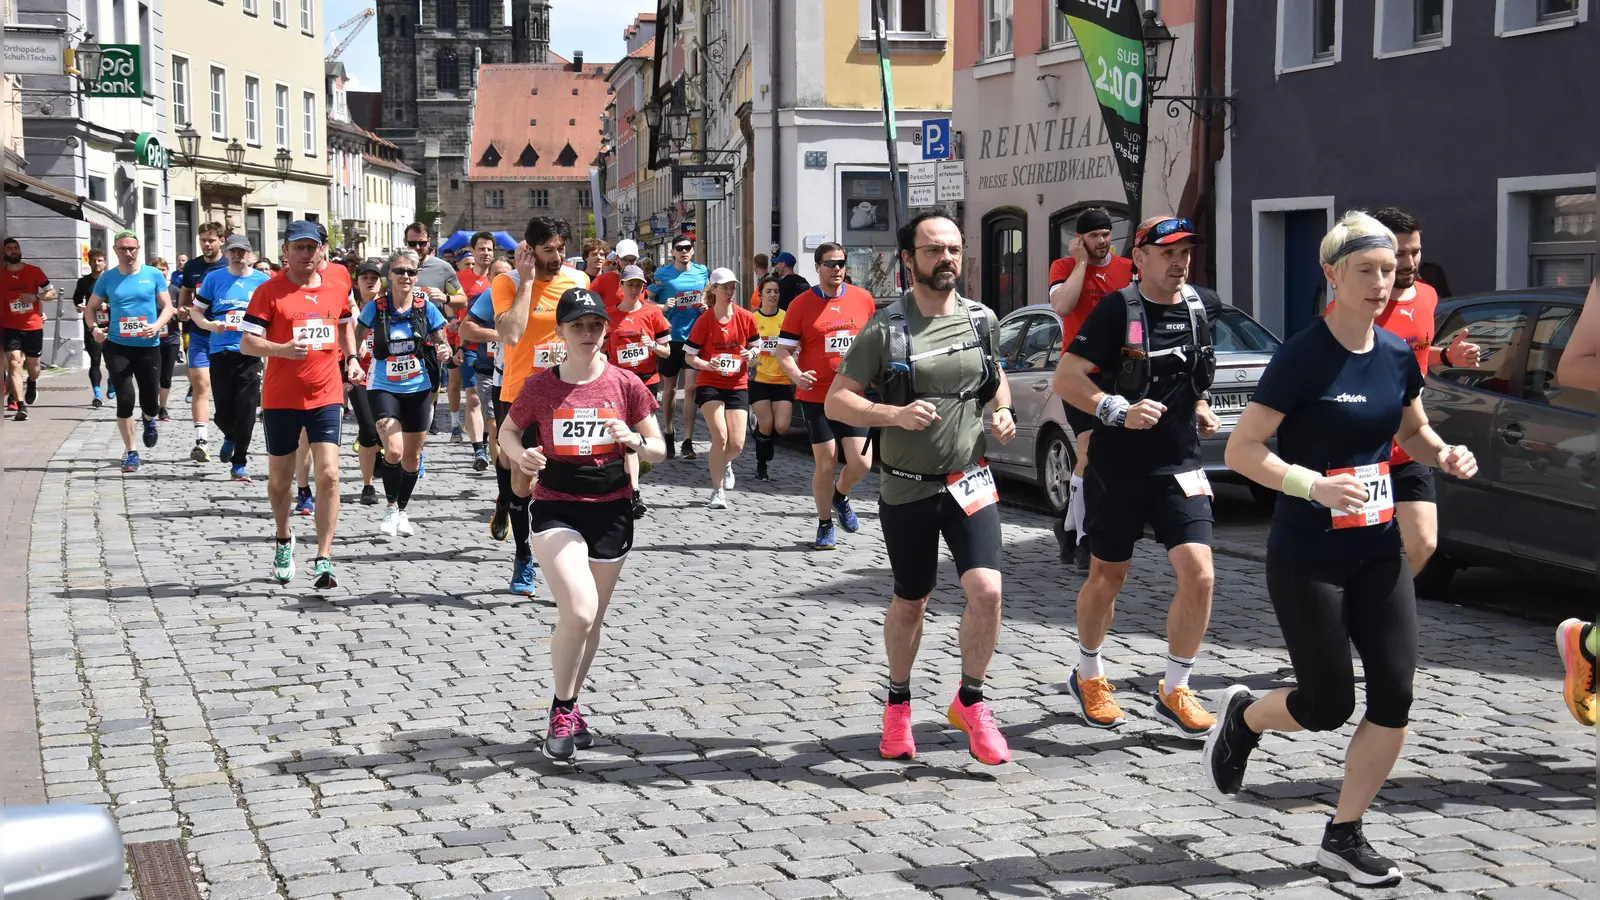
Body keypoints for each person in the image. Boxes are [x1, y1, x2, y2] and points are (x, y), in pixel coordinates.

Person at [1210, 211, 1480, 887]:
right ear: (1332, 274)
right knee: (1327, 705)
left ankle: (1344, 834)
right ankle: (1246, 715)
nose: (1381, 283)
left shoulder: (1393, 354)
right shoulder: (1301, 355)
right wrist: (1309, 486)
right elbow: (1243, 451)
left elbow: (1413, 431)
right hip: (1308, 554)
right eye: (1366, 270)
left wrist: (1444, 453)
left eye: (1389, 271)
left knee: (1395, 693)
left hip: (1379, 550)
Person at [824, 211, 1015, 766]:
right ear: (909, 259)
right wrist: (892, 413)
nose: (947, 260)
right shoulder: (887, 328)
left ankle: (971, 700)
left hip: (970, 481)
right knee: (913, 599)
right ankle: (898, 702)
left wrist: (1001, 412)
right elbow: (839, 399)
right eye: (934, 250)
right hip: (907, 488)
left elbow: (994, 378)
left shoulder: (982, 320)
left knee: (988, 591)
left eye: (954, 249)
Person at [1050, 216, 1224, 738]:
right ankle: (1090, 674)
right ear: (1140, 258)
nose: (1180, 262)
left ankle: (1175, 687)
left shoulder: (1201, 307)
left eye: (1186, 252)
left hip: (1180, 464)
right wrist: (1115, 411)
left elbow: (1191, 375)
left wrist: (1199, 404)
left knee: (1202, 575)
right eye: (1168, 252)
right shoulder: (1114, 310)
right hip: (1118, 465)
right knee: (1108, 579)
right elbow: (1067, 378)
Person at [498, 286, 666, 760]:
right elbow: (507, 431)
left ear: (606, 330)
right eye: (578, 326)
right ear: (562, 332)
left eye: (595, 326)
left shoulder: (625, 383)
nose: (588, 334)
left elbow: (659, 449)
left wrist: (632, 438)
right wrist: (522, 455)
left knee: (591, 621)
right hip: (556, 506)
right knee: (580, 609)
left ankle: (570, 707)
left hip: (611, 508)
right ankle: (562, 708)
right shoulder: (540, 386)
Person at [1345, 208, 1481, 582]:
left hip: (1409, 443)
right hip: (1364, 451)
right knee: (1360, 550)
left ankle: (1381, 604)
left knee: (1423, 543)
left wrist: (1447, 356)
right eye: (1399, 253)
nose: (1409, 262)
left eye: (1415, 251)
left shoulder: (1428, 296)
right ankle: (1360, 610)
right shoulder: (1359, 306)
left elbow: (1413, 351)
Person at [239, 220, 361, 589]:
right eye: (299, 247)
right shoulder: (269, 291)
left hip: (326, 392)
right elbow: (247, 342)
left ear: (322, 249)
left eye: (312, 247)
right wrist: (280, 350)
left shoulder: (338, 282)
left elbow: (343, 326)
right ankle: (283, 537)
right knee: (280, 479)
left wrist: (352, 358)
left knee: (329, 474)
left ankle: (324, 557)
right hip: (281, 397)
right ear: (286, 252)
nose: (307, 254)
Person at [488, 216, 589, 595]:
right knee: (522, 478)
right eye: (549, 250)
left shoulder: (578, 282)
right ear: (529, 250)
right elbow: (511, 333)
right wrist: (527, 281)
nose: (558, 257)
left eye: (562, 248)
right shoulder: (507, 282)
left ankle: (567, 559)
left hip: (567, 393)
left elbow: (591, 336)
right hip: (521, 394)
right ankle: (523, 555)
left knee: (568, 477)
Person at [1047, 208, 1135, 570]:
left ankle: (1068, 527)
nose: (1102, 241)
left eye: (1106, 234)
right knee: (1088, 447)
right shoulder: (1063, 268)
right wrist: (1081, 264)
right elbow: (1062, 306)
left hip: (1119, 374)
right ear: (1080, 239)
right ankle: (1085, 539)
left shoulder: (1129, 269)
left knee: (1107, 455)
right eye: (1094, 236)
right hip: (1078, 374)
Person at [776, 242, 876, 550]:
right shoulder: (801, 305)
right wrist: (796, 376)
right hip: (817, 396)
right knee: (826, 463)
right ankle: (824, 524)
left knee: (862, 463)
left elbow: (875, 343)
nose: (837, 269)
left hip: (854, 394)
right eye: (830, 263)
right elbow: (783, 351)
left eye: (841, 263)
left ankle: (840, 495)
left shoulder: (863, 299)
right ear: (817, 267)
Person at [356, 250, 452, 537]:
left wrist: (444, 349)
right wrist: (354, 353)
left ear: (416, 276)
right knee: (394, 450)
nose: (405, 277)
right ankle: (389, 507)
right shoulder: (376, 307)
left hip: (419, 388)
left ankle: (402, 509)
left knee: (412, 456)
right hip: (383, 386)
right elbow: (355, 332)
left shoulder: (425, 308)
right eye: (399, 272)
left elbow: (441, 340)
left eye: (411, 272)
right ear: (390, 276)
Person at [85, 231, 174, 471]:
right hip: (117, 347)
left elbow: (168, 307)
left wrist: (156, 325)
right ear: (115, 251)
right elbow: (90, 308)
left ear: (139, 249)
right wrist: (94, 329)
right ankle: (131, 451)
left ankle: (149, 420)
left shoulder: (153, 274)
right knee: (125, 399)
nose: (128, 253)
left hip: (148, 347)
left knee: (150, 403)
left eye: (132, 248)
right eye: (123, 249)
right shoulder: (107, 278)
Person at [190, 234, 270, 481]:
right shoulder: (214, 279)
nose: (237, 256)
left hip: (250, 353)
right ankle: (230, 435)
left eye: (242, 251)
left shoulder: (263, 281)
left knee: (247, 411)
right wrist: (210, 325)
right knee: (223, 412)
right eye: (233, 252)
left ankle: (239, 463)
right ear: (226, 253)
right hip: (220, 352)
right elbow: (196, 312)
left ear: (249, 254)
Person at [685, 268, 761, 509]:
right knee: (720, 436)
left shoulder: (745, 317)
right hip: (710, 383)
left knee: (737, 444)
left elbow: (757, 347)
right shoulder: (704, 321)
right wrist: (706, 364)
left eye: (732, 287)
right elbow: (689, 357)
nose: (730, 292)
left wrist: (752, 354)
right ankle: (717, 491)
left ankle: (725, 462)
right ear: (714, 289)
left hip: (737, 383)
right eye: (725, 287)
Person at [605, 264, 671, 516]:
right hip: (617, 383)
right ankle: (632, 491)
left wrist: (652, 345)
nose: (634, 289)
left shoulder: (653, 314)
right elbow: (600, 351)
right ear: (621, 286)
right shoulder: (609, 316)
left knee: (637, 436)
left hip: (646, 382)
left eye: (638, 285)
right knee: (624, 437)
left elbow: (666, 350)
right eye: (630, 284)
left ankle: (631, 486)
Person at [646, 235, 709, 460]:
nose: (684, 251)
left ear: (692, 251)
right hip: (670, 336)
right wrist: (662, 306)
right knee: (671, 388)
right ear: (673, 252)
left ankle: (689, 441)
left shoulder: (702, 271)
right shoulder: (663, 274)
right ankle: (669, 431)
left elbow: (707, 294)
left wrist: (705, 305)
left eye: (687, 248)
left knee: (691, 388)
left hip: (694, 337)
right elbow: (646, 300)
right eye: (679, 248)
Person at [177, 222, 228, 459]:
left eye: (211, 240)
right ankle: (202, 442)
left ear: (221, 240)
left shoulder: (229, 265)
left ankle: (230, 434)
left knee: (225, 391)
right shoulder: (192, 266)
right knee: (201, 386)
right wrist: (182, 308)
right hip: (198, 334)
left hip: (226, 337)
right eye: (203, 240)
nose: (207, 244)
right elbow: (186, 291)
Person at [449, 232, 497, 462]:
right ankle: (479, 448)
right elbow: (450, 304)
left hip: (497, 346)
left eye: (489, 249)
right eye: (481, 249)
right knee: (474, 396)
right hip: (468, 345)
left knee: (490, 400)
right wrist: (451, 318)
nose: (485, 253)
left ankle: (488, 442)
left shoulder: (501, 278)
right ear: (473, 250)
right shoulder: (459, 278)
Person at [1, 237, 57, 421]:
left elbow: (52, 293)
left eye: (16, 248)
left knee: (33, 368)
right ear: (4, 253)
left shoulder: (34, 271)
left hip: (33, 326)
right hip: (10, 327)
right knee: (14, 363)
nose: (13, 251)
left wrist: (35, 296)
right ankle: (20, 406)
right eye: (9, 249)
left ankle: (32, 382)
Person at [748, 275, 791, 481]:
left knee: (781, 426)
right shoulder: (752, 319)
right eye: (768, 292)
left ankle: (765, 440)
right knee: (765, 424)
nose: (773, 295)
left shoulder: (787, 317)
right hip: (759, 379)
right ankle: (761, 464)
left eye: (776, 292)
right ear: (760, 295)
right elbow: (744, 345)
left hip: (782, 379)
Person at [73, 249, 109, 407]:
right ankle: (97, 393)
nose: (97, 263)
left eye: (100, 260)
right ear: (89, 262)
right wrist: (80, 305)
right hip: (92, 324)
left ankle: (112, 383)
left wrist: (107, 305)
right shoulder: (84, 282)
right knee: (95, 360)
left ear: (105, 262)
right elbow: (76, 299)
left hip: (111, 324)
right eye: (94, 260)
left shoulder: (112, 279)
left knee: (111, 361)